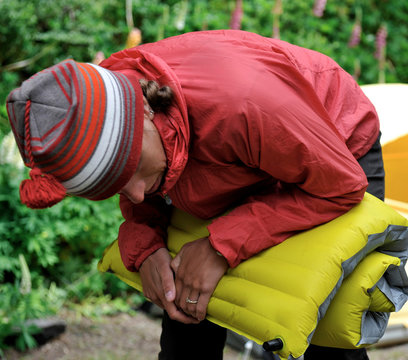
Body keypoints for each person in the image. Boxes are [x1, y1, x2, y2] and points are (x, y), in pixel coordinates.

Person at [6, 30, 384, 360]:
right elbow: (136, 189)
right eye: (116, 186)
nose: (135, 195)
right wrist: (146, 246)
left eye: (133, 171)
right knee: (184, 318)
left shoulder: (245, 100)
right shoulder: (110, 109)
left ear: (145, 111)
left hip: (333, 153)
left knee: (324, 337)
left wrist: (220, 246)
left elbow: (341, 185)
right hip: (226, 167)